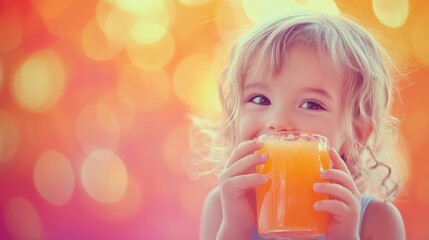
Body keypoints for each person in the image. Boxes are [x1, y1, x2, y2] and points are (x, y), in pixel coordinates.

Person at [190, 10, 407, 240]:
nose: (279, 121)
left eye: (311, 104)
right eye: (259, 99)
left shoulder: (377, 220)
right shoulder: (223, 209)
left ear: (357, 134)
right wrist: (236, 229)